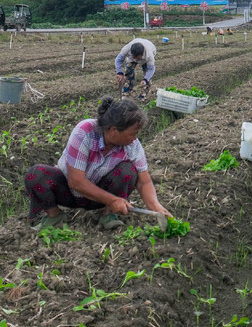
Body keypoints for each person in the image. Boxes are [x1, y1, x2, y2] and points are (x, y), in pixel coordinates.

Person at [23, 97, 171, 230]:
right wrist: (113, 199)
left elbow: (144, 181)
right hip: (67, 192)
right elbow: (76, 181)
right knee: (35, 174)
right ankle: (54, 215)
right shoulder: (85, 132)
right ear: (114, 131)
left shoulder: (132, 145)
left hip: (100, 197)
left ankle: (109, 213)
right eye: (132, 133)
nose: (135, 138)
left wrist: (156, 206)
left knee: (128, 170)